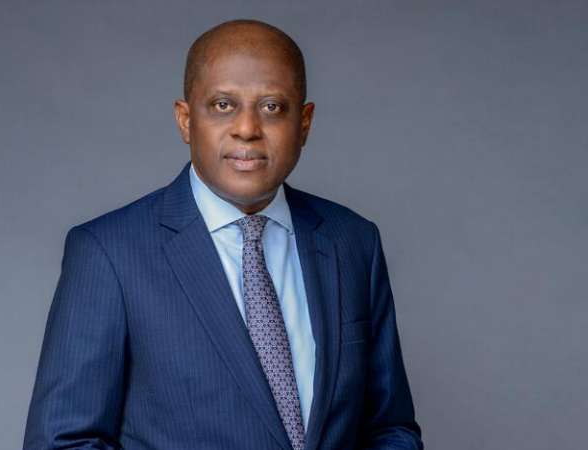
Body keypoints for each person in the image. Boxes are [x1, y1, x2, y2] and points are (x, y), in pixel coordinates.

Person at [23, 19, 423, 450]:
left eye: (272, 106)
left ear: (304, 122)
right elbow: (62, 443)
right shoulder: (109, 254)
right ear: (185, 120)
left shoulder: (353, 242)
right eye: (222, 105)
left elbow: (390, 429)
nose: (247, 128)